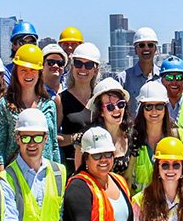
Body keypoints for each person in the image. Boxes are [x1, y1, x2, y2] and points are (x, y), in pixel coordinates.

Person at [0, 43, 59, 168]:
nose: (28, 74)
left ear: (40, 73)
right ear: (16, 72)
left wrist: (57, 175)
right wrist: (2, 175)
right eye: (23, 70)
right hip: (15, 175)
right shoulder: (4, 104)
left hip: (45, 175)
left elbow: (53, 144)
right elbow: (0, 145)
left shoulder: (49, 105)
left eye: (33, 70)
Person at [127, 81, 183, 194]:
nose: (154, 111)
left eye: (159, 106)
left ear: (165, 108)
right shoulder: (131, 139)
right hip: (140, 206)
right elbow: (127, 179)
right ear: (142, 108)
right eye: (148, 106)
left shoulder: (179, 138)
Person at [57, 42, 100, 174]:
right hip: (71, 168)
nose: (82, 69)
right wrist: (75, 138)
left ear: (96, 69)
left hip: (100, 167)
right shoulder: (61, 100)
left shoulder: (101, 99)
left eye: (88, 65)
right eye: (78, 63)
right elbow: (54, 138)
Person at [86, 77, 131, 176]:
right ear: (100, 111)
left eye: (120, 104)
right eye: (110, 107)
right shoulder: (87, 137)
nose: (116, 110)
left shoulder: (131, 135)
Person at [116, 26, 160, 119]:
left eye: (150, 45)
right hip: (132, 132)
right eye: (141, 45)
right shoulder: (123, 79)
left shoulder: (163, 77)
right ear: (135, 50)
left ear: (156, 49)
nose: (146, 48)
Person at [160, 56, 183, 132]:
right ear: (162, 80)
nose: (174, 82)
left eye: (179, 77)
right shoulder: (153, 106)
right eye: (169, 77)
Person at [40, 43, 67, 117]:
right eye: (51, 62)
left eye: (60, 63)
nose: (55, 66)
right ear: (42, 65)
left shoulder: (69, 91)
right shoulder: (36, 92)